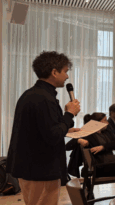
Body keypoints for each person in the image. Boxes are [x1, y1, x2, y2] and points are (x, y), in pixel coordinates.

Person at [6, 51, 81, 205]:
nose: (67, 77)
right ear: (54, 72)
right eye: (65, 72)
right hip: (40, 168)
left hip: (33, 167)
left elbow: (41, 130)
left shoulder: (33, 94)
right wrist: (69, 114)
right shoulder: (43, 98)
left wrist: (66, 127)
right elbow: (52, 135)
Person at [68, 113, 115, 201]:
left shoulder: (107, 131)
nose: (107, 123)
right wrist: (78, 140)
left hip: (111, 164)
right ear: (97, 123)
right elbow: (67, 146)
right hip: (100, 167)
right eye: (104, 120)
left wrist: (103, 147)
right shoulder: (88, 134)